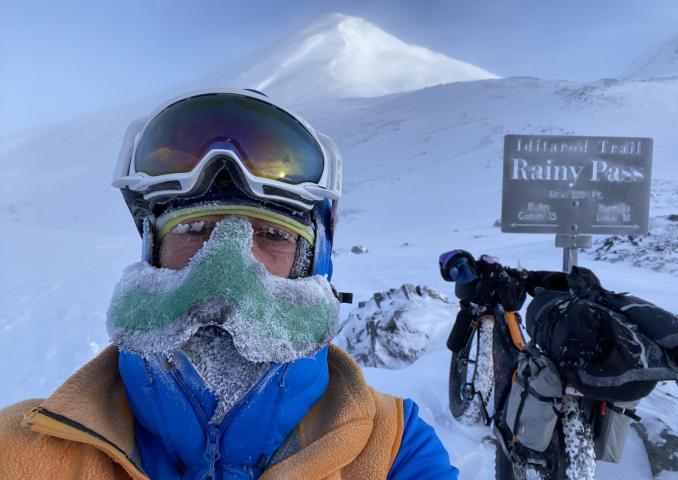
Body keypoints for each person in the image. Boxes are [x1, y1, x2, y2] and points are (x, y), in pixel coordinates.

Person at [0, 89, 458, 479]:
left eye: (274, 234)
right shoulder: (26, 447)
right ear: (151, 251)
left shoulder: (392, 449)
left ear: (314, 264)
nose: (225, 268)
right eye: (194, 229)